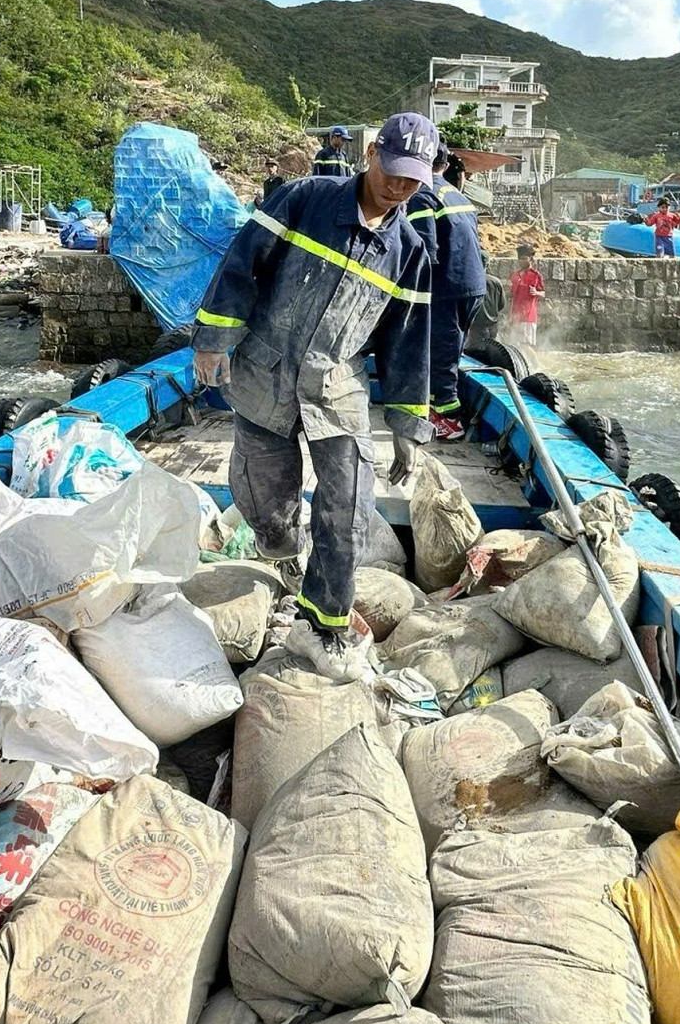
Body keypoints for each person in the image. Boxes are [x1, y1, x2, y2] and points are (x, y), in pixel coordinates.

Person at [191, 112, 438, 678]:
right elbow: (240, 267)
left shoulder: (410, 253)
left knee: (350, 503)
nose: (399, 187)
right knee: (265, 504)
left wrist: (407, 426)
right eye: (393, 170)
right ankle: (281, 546)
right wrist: (213, 340)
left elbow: (408, 343)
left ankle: (321, 623)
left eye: (413, 179)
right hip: (265, 372)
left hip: (337, 386)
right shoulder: (303, 200)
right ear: (373, 152)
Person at [406, 146, 487, 442]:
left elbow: (424, 251)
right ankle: (440, 407)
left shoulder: (422, 196)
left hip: (446, 287)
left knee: (439, 350)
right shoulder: (456, 194)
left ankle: (449, 420)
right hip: (473, 285)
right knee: (451, 351)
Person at [506, 243, 544, 348]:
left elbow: (543, 292)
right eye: (520, 259)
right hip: (515, 316)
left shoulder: (535, 275)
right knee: (515, 345)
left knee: (527, 346)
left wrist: (537, 292)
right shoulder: (515, 275)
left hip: (528, 316)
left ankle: (536, 364)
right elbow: (512, 294)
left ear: (530, 259)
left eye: (524, 258)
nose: (521, 261)